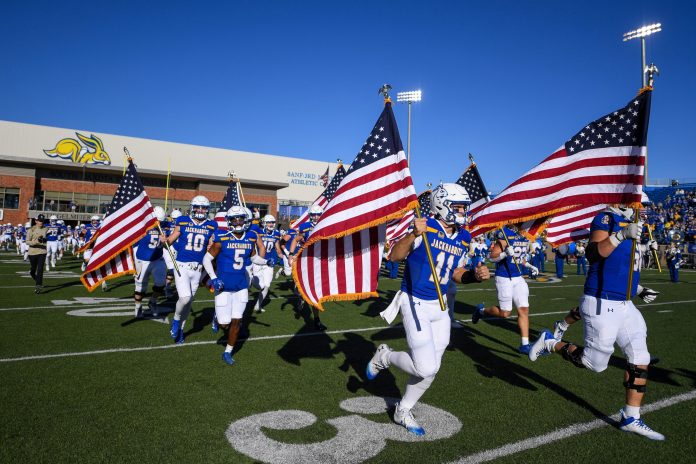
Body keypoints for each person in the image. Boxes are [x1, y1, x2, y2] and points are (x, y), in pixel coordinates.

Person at [528, 204, 665, 440]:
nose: (642, 207)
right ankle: (551, 342)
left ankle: (631, 417)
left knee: (640, 358)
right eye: (639, 202)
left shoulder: (634, 224)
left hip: (625, 302)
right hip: (601, 299)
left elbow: (621, 266)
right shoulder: (605, 219)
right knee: (595, 363)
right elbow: (593, 255)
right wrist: (621, 234)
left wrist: (639, 288)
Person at [366, 183, 490, 436]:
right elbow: (393, 256)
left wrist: (474, 276)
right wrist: (412, 233)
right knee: (425, 367)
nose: (463, 212)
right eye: (458, 207)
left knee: (432, 367)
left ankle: (403, 409)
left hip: (441, 305)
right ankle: (385, 356)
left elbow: (455, 272)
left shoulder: (463, 236)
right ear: (441, 205)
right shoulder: (425, 226)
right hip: (415, 300)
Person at [203, 206, 266, 365]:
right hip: (223, 286)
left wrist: (266, 261)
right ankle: (217, 318)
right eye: (234, 219)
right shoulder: (222, 237)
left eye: (240, 218)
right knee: (225, 323)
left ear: (245, 220)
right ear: (229, 221)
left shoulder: (251, 237)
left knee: (237, 321)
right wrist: (213, 278)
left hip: (241, 285)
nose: (238, 222)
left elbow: (253, 258)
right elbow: (206, 259)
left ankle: (228, 352)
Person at [471, 225, 539, 353]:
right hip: (504, 277)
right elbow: (493, 257)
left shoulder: (525, 235)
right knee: (505, 313)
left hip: (518, 278)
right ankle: (481, 311)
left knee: (523, 309)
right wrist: (504, 254)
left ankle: (525, 344)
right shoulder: (505, 233)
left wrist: (530, 266)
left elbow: (520, 258)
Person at [166, 196, 217, 344]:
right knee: (185, 298)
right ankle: (176, 321)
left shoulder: (211, 225)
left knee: (188, 304)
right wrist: (164, 241)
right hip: (181, 265)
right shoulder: (182, 220)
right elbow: (170, 240)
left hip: (198, 269)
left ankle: (181, 330)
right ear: (192, 207)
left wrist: (211, 247)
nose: (200, 210)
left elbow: (213, 245)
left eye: (203, 208)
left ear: (207, 210)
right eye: (198, 207)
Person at [289, 204, 327, 331]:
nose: (316, 217)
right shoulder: (305, 227)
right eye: (313, 215)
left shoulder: (327, 224)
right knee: (309, 287)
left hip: (320, 261)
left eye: (318, 214)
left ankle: (316, 319)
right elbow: (295, 240)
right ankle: (302, 294)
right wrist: (291, 254)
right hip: (306, 259)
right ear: (310, 216)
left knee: (316, 291)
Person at [133, 206, 167, 318]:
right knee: (140, 288)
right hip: (142, 260)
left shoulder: (166, 226)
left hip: (157, 258)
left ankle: (152, 301)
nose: (159, 224)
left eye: (160, 222)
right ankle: (138, 306)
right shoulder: (142, 226)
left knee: (161, 283)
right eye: (157, 221)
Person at [251, 214, 283, 313]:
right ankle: (251, 279)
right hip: (258, 262)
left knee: (267, 285)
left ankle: (258, 305)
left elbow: (277, 248)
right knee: (259, 286)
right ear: (264, 223)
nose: (271, 224)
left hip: (269, 263)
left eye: (273, 222)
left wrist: (283, 257)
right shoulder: (259, 232)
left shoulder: (276, 234)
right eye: (269, 222)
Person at [26, 215, 48, 293]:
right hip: (32, 252)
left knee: (40, 269)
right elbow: (27, 241)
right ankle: (32, 273)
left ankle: (38, 286)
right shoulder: (31, 230)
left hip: (42, 252)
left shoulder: (46, 229)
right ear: (36, 221)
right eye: (39, 220)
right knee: (33, 269)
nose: (41, 222)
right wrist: (36, 242)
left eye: (42, 221)